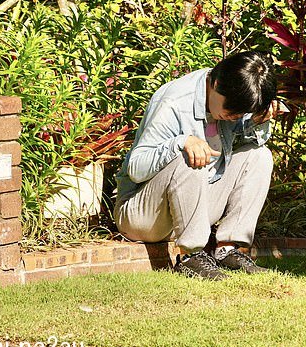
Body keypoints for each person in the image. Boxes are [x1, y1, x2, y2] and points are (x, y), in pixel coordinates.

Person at [114, 51, 279, 280]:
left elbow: (239, 146)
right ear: (217, 83)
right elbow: (136, 168)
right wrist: (180, 142)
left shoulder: (233, 95)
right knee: (189, 154)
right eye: (232, 111)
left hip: (193, 209)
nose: (234, 117)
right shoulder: (174, 101)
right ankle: (191, 256)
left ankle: (227, 249)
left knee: (259, 156)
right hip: (143, 215)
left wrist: (258, 123)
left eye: (241, 113)